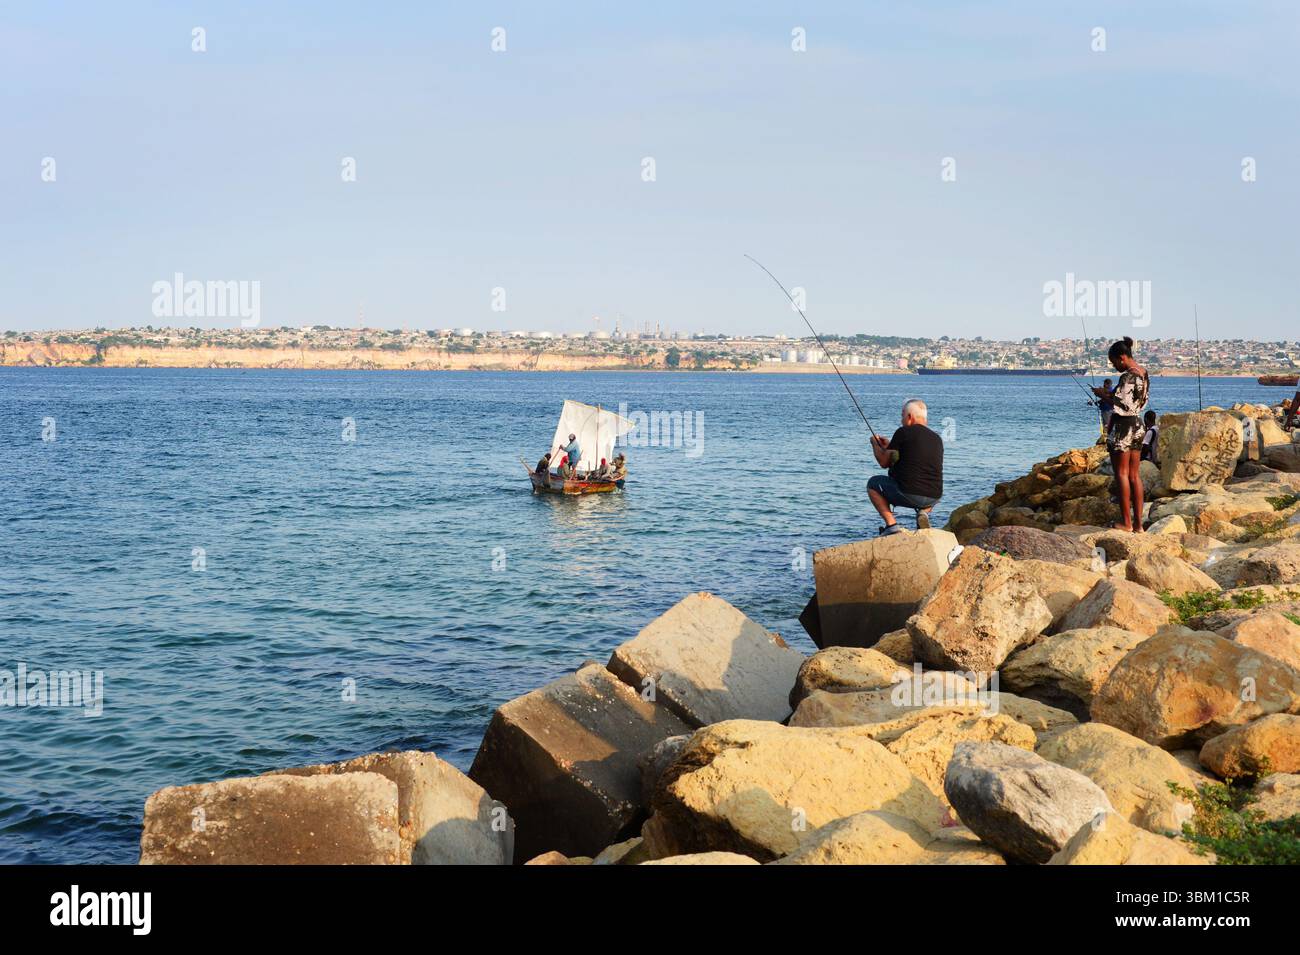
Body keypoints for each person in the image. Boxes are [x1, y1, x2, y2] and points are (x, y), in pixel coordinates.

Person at [868, 398, 943, 536]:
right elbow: (912, 455)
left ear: (909, 417)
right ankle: (923, 514)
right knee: (928, 484)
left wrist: (874, 444)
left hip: (909, 494)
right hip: (934, 497)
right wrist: (889, 446)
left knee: (873, 484)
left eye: (902, 416)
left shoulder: (903, 432)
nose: (901, 420)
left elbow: (883, 462)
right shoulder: (937, 439)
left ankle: (891, 525)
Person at [1105, 337, 1150, 532]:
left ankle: (1126, 523)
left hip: (1124, 426)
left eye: (1114, 362)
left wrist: (1103, 394)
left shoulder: (1127, 377)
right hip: (1139, 425)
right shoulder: (1144, 373)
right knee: (1134, 475)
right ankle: (1139, 525)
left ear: (1122, 357)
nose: (1114, 366)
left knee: (1121, 474)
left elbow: (1121, 404)